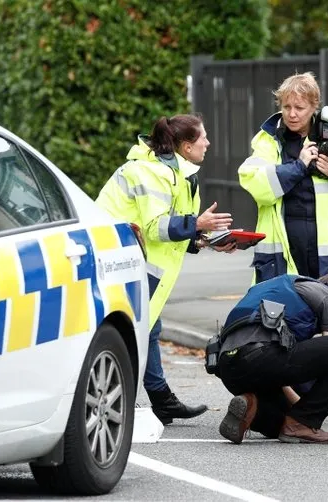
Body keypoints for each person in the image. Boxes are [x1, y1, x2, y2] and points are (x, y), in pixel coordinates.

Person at [237, 72, 328, 428]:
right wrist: (298, 165)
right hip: (282, 255)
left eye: (299, 107)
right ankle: (291, 403)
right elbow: (255, 185)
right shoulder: (267, 141)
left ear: (314, 107)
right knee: (281, 328)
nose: (291, 113)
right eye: (286, 106)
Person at [96, 114, 236, 425]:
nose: (208, 143)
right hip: (122, 263)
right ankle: (119, 407)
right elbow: (156, 227)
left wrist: (205, 241)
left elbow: (174, 230)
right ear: (187, 147)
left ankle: (160, 399)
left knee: (148, 328)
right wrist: (196, 225)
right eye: (203, 138)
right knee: (130, 333)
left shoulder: (175, 173)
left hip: (134, 261)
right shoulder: (153, 174)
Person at [214, 272, 328, 444]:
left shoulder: (278, 290)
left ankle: (252, 405)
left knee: (281, 423)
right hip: (262, 355)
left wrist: (299, 409)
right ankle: (302, 423)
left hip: (229, 367)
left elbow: (282, 371)